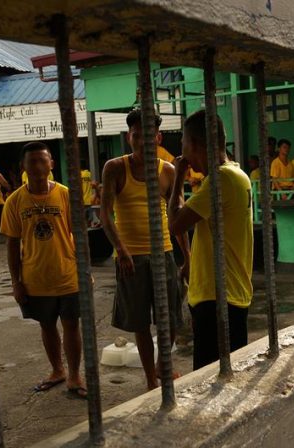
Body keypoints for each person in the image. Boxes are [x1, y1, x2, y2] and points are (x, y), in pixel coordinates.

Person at [100, 109, 190, 390]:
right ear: (129, 137)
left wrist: (186, 257)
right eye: (136, 136)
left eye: (147, 136)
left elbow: (178, 214)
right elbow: (105, 214)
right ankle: (151, 379)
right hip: (131, 257)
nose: (141, 141)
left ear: (158, 137)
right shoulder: (115, 168)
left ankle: (164, 364)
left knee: (171, 316)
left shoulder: (169, 171)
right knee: (140, 322)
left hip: (163, 252)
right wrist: (121, 250)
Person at [168, 109, 253, 370]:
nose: (183, 153)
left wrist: (178, 176)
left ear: (194, 144)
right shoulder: (236, 174)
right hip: (225, 293)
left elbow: (175, 223)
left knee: (210, 380)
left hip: (219, 298)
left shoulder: (221, 180)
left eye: (183, 144)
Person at [2, 142, 87, 399]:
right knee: (47, 325)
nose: (38, 166)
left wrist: (85, 270)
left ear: (51, 164)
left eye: (43, 160)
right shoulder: (15, 201)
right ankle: (57, 370)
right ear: (23, 167)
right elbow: (12, 244)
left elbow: (80, 235)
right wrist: (16, 282)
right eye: (32, 162)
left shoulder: (65, 195)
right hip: (35, 278)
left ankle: (74, 375)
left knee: (72, 325)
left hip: (68, 274)